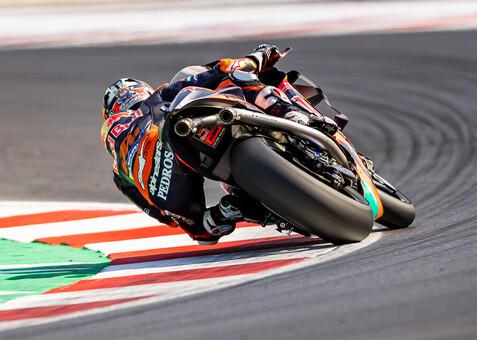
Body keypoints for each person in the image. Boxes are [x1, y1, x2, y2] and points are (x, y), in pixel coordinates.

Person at [100, 44, 336, 244]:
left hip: (166, 193)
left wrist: (171, 207)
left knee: (200, 231)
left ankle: (227, 213)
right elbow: (221, 69)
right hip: (173, 138)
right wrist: (259, 56)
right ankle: (289, 113)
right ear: (142, 91)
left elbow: (163, 217)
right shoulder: (158, 97)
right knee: (235, 77)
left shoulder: (119, 168)